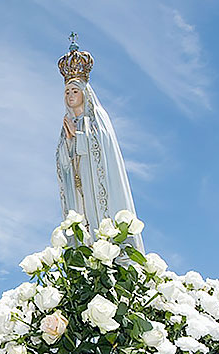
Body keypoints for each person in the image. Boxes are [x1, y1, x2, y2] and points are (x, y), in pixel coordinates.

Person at [55, 34, 144, 252]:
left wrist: (79, 138)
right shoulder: (67, 123)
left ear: (85, 93)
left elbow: (103, 148)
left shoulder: (96, 119)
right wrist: (68, 144)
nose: (70, 95)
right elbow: (63, 163)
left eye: (75, 90)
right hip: (78, 191)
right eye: (67, 91)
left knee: (100, 229)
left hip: (97, 189)